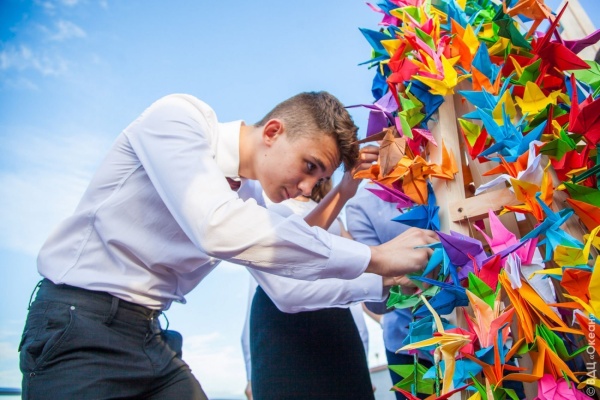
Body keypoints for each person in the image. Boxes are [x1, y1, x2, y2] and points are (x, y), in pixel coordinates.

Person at [19, 91, 437, 399]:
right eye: (309, 167)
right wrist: (377, 258)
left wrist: (385, 281)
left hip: (148, 335)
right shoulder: (178, 119)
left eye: (319, 179)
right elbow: (217, 228)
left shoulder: (251, 196)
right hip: (78, 326)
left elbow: (287, 288)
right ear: (272, 131)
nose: (307, 187)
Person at [241, 181, 379, 400]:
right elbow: (291, 255)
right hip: (282, 324)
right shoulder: (264, 201)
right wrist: (251, 373)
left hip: (336, 317)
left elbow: (360, 268)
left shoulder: (335, 214)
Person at [346, 183, 433, 400]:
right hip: (409, 346)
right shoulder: (361, 205)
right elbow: (373, 295)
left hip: (482, 333)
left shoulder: (449, 175)